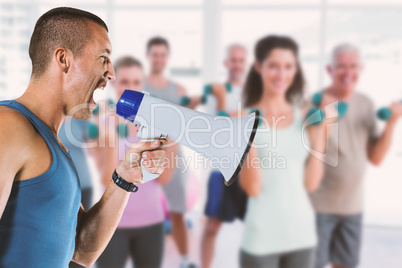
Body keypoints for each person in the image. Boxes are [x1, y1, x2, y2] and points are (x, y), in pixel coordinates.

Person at [0, 7, 166, 267]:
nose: (111, 73)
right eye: (103, 57)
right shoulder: (7, 126)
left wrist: (124, 178)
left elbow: (82, 251)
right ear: (63, 59)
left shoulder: (52, 142)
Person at [239, 35, 330, 268]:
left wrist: (322, 132)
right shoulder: (243, 118)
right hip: (261, 238)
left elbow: (311, 184)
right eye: (274, 66)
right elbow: (252, 187)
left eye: (288, 67)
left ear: (296, 69)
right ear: (259, 67)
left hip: (302, 235)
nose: (281, 75)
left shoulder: (306, 116)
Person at [310, 44, 402, 268]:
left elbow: (376, 158)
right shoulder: (314, 103)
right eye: (341, 66)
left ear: (361, 69)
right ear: (330, 70)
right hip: (317, 206)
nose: (348, 73)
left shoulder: (365, 103)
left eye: (353, 66)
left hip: (352, 207)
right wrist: (323, 120)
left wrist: (391, 123)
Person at [94, 56, 175, 268]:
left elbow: (165, 179)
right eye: (124, 82)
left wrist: (170, 142)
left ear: (143, 85)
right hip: (112, 224)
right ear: (114, 84)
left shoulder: (157, 127)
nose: (130, 88)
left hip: (151, 222)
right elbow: (105, 179)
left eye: (136, 82)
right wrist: (112, 139)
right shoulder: (102, 124)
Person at [143, 36, 198, 268]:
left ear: (167, 58)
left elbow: (186, 125)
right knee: (143, 212)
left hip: (174, 158)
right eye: (155, 54)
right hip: (145, 156)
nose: (159, 58)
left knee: (177, 211)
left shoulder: (179, 89)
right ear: (148, 56)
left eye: (162, 54)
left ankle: (185, 260)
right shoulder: (139, 86)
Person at [201, 43, 248, 268]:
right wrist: (225, 107)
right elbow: (215, 131)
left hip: (251, 171)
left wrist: (231, 115)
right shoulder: (216, 92)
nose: (237, 65)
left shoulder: (255, 92)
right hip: (222, 170)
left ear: (245, 63)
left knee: (259, 229)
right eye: (233, 60)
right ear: (226, 63)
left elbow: (259, 123)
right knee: (211, 227)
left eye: (241, 60)